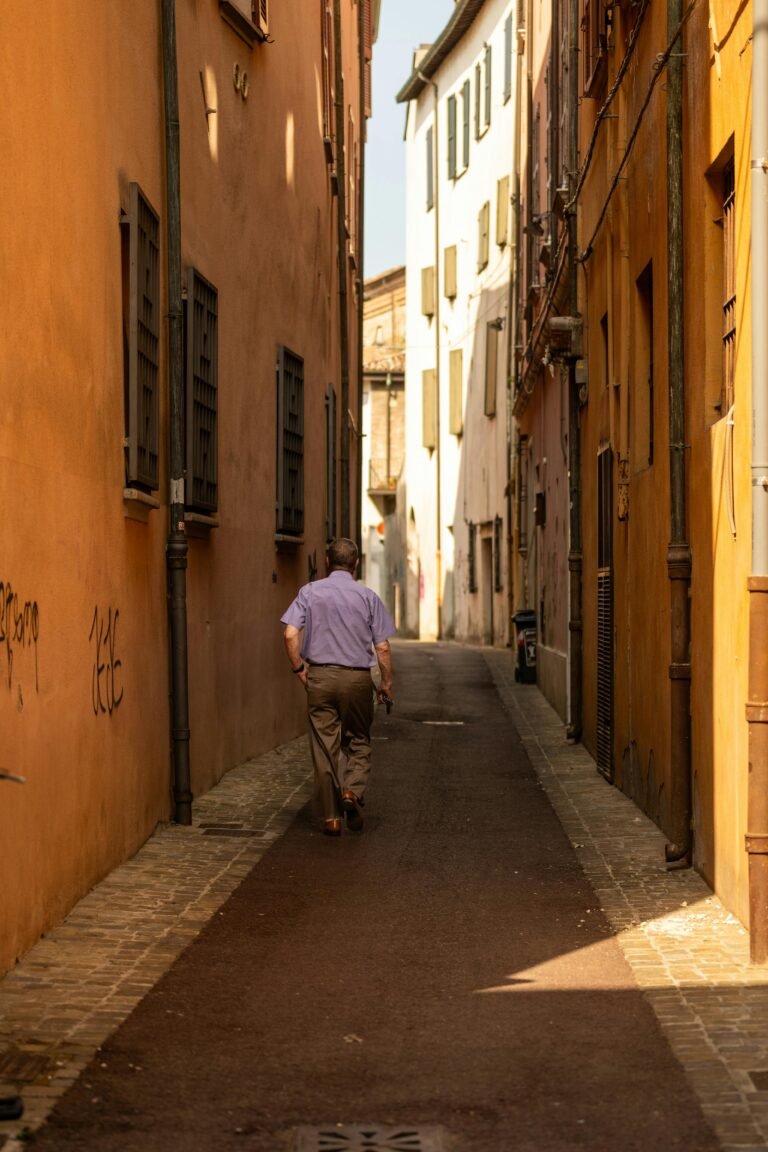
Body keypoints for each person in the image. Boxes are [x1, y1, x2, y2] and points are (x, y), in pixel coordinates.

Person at [280, 538, 395, 836]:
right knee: (358, 739)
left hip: (319, 677)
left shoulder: (309, 592)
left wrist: (299, 669)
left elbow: (290, 634)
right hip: (357, 678)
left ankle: (331, 818)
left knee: (324, 746)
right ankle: (351, 791)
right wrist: (386, 683)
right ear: (356, 564)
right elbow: (382, 647)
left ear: (328, 563)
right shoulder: (368, 597)